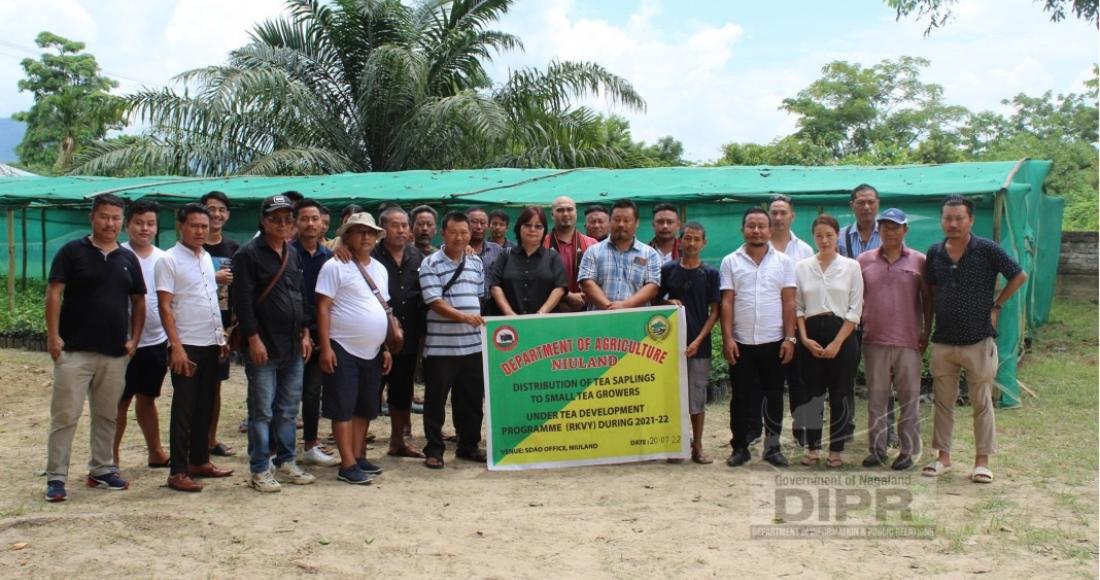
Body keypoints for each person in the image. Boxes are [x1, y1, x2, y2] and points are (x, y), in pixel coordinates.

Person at [44, 193, 146, 502]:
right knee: (65, 416)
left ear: (122, 222)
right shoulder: (72, 251)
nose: (110, 223)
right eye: (104, 216)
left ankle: (102, 469)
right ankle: (56, 478)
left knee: (107, 415)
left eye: (116, 218)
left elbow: (139, 300)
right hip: (74, 351)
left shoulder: (128, 258)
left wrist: (134, 340)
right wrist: (53, 337)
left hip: (114, 354)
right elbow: (53, 294)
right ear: (92, 217)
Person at [922, 195, 1027, 484]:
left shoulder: (987, 249)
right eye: (948, 218)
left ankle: (982, 462)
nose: (953, 224)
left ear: (971, 220)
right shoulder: (934, 252)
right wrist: (927, 329)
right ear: (941, 220)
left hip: (978, 339)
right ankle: (943, 457)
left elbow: (1018, 275)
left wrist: (997, 305)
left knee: (981, 402)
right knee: (943, 402)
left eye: (959, 218)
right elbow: (930, 292)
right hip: (943, 340)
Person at [233, 194, 314, 492]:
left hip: (293, 344)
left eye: (287, 219)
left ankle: (286, 460)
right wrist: (253, 339)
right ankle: (259, 468)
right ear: (263, 221)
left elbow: (300, 296)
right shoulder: (248, 254)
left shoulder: (291, 253)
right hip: (263, 345)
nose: (282, 224)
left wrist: (306, 333)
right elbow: (242, 303)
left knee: (289, 409)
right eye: (275, 218)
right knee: (261, 411)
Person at [156, 204, 235, 492]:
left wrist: (220, 337)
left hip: (210, 342)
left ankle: (199, 460)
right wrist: (175, 347)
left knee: (205, 405)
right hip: (186, 344)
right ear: (181, 226)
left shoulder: (205, 258)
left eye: (205, 225)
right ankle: (177, 471)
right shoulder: (168, 260)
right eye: (195, 226)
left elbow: (209, 300)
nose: (201, 231)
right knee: (184, 409)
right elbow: (165, 306)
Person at [316, 213, 393, 484]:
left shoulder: (380, 269)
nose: (365, 237)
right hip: (342, 346)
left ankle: (358, 455)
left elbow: (384, 309)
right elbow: (323, 308)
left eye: (370, 233)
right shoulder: (334, 266)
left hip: (372, 350)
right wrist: (325, 347)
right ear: (346, 236)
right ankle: (346, 463)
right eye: (359, 232)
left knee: (365, 407)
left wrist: (385, 348)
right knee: (343, 408)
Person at [719, 208, 796, 468]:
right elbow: (727, 302)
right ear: (743, 229)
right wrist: (727, 338)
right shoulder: (730, 261)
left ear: (770, 230)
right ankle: (739, 447)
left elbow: (789, 301)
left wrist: (790, 338)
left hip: (774, 340)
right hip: (741, 342)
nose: (756, 230)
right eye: (751, 226)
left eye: (762, 226)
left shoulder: (784, 262)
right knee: (740, 397)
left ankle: (772, 448)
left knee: (773, 396)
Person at [858, 208, 931, 471]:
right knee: (877, 399)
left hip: (908, 341)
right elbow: (857, 299)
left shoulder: (919, 261)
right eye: (885, 227)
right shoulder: (864, 260)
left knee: (908, 399)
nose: (890, 232)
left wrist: (927, 331)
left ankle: (907, 451)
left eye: (895, 227)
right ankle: (877, 450)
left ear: (905, 230)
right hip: (874, 339)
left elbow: (928, 299)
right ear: (878, 229)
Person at [418, 211, 487, 469]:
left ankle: (468, 446)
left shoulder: (476, 262)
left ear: (471, 234)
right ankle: (434, 450)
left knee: (470, 401)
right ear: (443, 234)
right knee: (435, 401)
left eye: (464, 232)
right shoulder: (430, 264)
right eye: (453, 232)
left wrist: (470, 319)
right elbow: (433, 302)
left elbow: (479, 295)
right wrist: (463, 317)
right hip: (441, 348)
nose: (459, 237)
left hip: (473, 347)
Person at [794, 214, 863, 469]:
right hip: (811, 333)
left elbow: (855, 310)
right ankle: (812, 448)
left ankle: (836, 449)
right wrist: (803, 338)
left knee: (840, 393)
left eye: (829, 235)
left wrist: (837, 343)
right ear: (813, 237)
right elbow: (798, 307)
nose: (824, 240)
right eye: (819, 235)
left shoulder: (851, 267)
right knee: (811, 394)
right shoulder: (802, 266)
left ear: (837, 236)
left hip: (842, 333)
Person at [836, 184, 899, 448]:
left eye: (871, 202)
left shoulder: (888, 235)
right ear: (852, 205)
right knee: (843, 375)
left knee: (884, 376)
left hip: (878, 315)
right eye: (861, 202)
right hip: (846, 316)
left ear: (878, 203)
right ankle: (844, 426)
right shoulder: (840, 237)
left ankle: (889, 430)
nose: (866, 207)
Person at [113, 200, 170, 469]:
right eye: (139, 223)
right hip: (121, 342)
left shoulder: (164, 258)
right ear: (127, 225)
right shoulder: (117, 255)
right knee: (119, 401)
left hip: (156, 340)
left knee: (148, 398)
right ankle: (110, 456)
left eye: (150, 224)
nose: (144, 228)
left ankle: (156, 451)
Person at [657, 222, 719, 464]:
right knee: (673, 396)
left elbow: (715, 311)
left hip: (698, 346)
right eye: (687, 238)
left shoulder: (711, 273)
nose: (691, 244)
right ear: (679, 241)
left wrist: (700, 339)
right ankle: (677, 443)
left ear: (704, 243)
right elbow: (655, 300)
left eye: (696, 239)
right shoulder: (668, 270)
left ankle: (698, 446)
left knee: (697, 397)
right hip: (669, 344)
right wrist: (667, 302)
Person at [372, 206, 426, 458]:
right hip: (375, 337)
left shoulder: (418, 257)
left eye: (405, 225)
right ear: (382, 229)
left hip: (408, 336)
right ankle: (357, 444)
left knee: (402, 391)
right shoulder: (370, 256)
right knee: (370, 390)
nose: (401, 230)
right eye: (395, 225)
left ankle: (398, 441)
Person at [292, 199, 340, 469]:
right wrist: (301, 331)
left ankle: (310, 444)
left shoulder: (330, 257)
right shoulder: (286, 254)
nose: (311, 224)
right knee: (286, 395)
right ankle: (279, 449)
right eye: (305, 219)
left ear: (323, 224)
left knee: (312, 392)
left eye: (316, 219)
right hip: (291, 334)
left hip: (320, 334)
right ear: (296, 222)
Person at [768, 194, 815, 448]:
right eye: (774, 212)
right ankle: (768, 435)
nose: (778, 217)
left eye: (782, 213)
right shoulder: (758, 245)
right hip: (764, 328)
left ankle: (802, 432)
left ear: (792, 216)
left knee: (800, 382)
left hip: (796, 325)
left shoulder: (805, 250)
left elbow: (807, 291)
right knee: (770, 385)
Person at [199, 190, 238, 457]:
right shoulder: (193, 247)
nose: (216, 214)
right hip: (194, 325)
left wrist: (234, 325)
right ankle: (194, 441)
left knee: (215, 385)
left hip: (222, 327)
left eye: (221, 209)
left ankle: (211, 439)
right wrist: (214, 277)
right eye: (211, 208)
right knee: (193, 387)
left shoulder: (234, 249)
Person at [577, 199, 659, 311]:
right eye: (616, 220)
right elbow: (586, 282)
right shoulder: (593, 251)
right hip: (600, 320)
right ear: (610, 221)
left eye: (626, 220)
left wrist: (625, 306)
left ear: (637, 222)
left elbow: (653, 286)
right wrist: (609, 307)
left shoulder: (650, 254)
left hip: (636, 320)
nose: (621, 224)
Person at [488, 206, 567, 315]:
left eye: (538, 226)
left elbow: (560, 287)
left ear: (544, 230)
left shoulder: (553, 256)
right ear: (519, 227)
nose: (532, 229)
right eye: (527, 225)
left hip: (544, 323)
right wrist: (509, 313)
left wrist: (541, 313)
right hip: (510, 325)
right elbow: (495, 286)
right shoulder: (505, 255)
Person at [544, 196, 598, 311]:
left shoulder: (592, 244)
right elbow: (537, 279)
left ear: (576, 213)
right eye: (560, 210)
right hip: (551, 310)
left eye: (569, 209)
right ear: (552, 215)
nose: (565, 213)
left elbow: (599, 279)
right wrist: (567, 296)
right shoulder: (542, 244)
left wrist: (585, 296)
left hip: (586, 309)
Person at [465, 207, 504, 272]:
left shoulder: (497, 250)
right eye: (474, 222)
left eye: (483, 223)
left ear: (488, 226)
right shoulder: (455, 249)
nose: (479, 227)